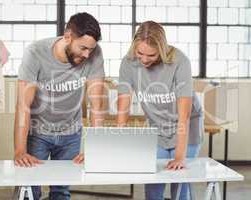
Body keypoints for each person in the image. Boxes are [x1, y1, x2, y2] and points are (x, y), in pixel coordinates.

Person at [14, 12, 105, 200]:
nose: (87, 54)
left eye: (91, 49)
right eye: (83, 48)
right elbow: (23, 105)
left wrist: (95, 148)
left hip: (71, 134)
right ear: (67, 37)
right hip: (38, 134)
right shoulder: (35, 53)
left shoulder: (94, 53)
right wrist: (20, 150)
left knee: (61, 192)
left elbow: (97, 104)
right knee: (29, 191)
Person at [116, 21, 204, 200]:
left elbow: (184, 115)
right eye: (140, 53)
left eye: (152, 55)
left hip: (187, 127)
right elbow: (123, 108)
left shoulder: (180, 61)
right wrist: (118, 146)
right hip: (157, 128)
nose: (145, 59)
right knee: (153, 182)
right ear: (134, 46)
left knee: (179, 181)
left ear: (162, 49)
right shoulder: (128, 63)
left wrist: (179, 157)